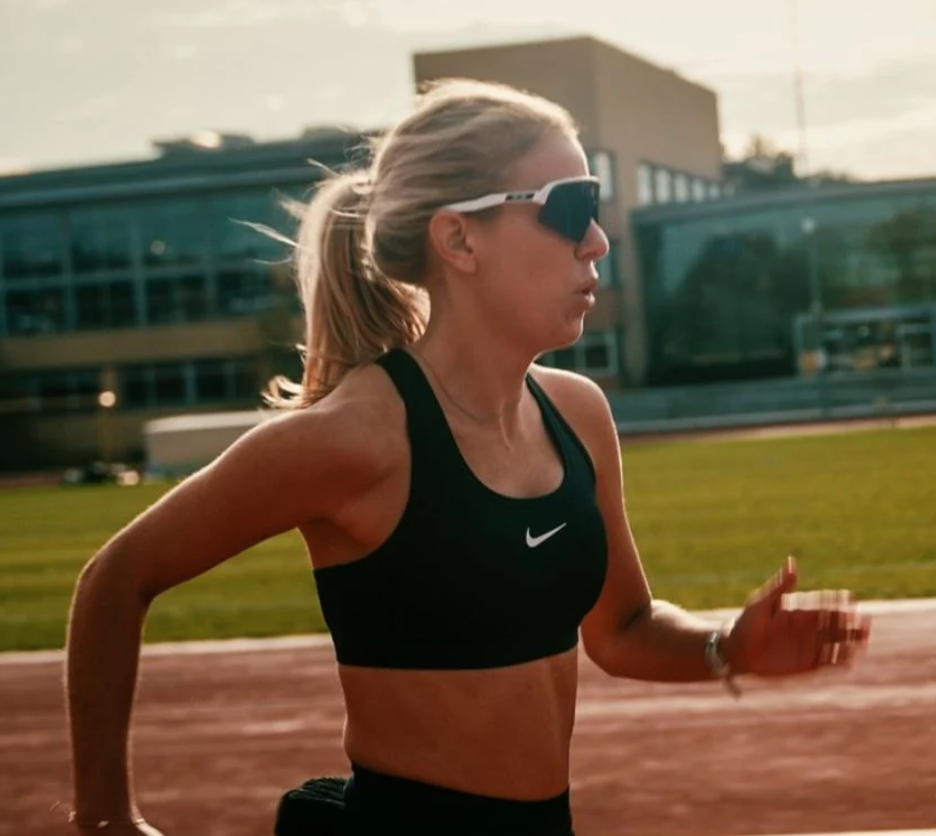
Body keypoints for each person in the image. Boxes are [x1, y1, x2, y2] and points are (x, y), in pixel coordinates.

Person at [62, 78, 872, 836]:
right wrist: (104, 819)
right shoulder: (354, 438)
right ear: (458, 238)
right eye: (571, 208)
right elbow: (115, 579)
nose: (597, 240)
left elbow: (622, 629)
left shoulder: (577, 414)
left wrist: (728, 646)